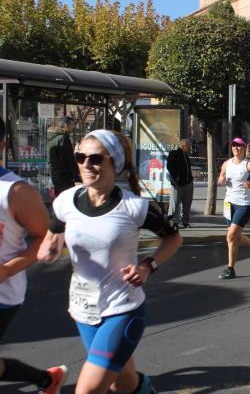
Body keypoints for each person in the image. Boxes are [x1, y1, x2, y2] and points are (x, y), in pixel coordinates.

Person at [38, 129, 182, 394]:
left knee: (87, 390)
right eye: (80, 157)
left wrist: (148, 266)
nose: (86, 165)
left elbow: (174, 239)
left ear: (114, 163)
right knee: (123, 383)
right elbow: (51, 241)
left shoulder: (135, 207)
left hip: (122, 310)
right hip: (83, 310)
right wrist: (48, 250)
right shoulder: (66, 201)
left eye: (95, 159)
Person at [0, 117, 67, 393]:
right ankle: (45, 379)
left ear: (1, 145)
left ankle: (45, 379)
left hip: (3, 294)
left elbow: (43, 238)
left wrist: (7, 269)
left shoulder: (15, 192)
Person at [217, 137, 250, 279]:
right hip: (229, 204)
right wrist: (222, 180)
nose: (236, 148)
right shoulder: (226, 164)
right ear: (231, 147)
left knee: (230, 236)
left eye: (239, 146)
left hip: (243, 205)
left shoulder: (248, 166)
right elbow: (220, 179)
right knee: (235, 237)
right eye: (234, 145)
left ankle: (230, 269)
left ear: (244, 148)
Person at [48, 115, 80, 196]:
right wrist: (75, 177)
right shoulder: (63, 139)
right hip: (65, 178)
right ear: (66, 125)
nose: (72, 127)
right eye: (71, 125)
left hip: (56, 177)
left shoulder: (52, 139)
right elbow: (68, 160)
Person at [167, 139, 193, 228]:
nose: (190, 148)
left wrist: (190, 179)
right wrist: (175, 179)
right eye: (188, 146)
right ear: (183, 146)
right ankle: (174, 222)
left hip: (188, 183)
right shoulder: (174, 153)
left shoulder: (186, 155)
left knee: (187, 203)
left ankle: (185, 221)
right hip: (177, 184)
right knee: (175, 203)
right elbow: (169, 167)